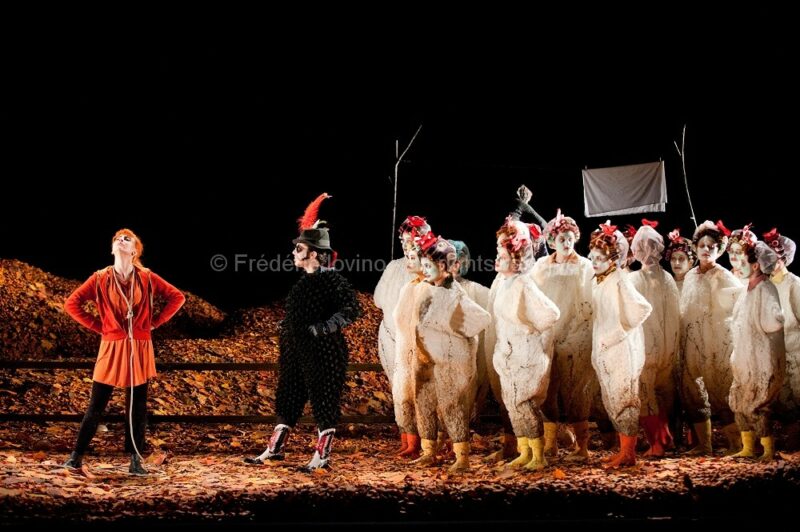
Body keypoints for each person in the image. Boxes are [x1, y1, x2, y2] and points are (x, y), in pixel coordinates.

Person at [244, 193, 361, 472]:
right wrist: (287, 326)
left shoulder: (332, 280)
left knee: (323, 398)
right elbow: (301, 312)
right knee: (288, 394)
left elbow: (351, 309)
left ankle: (322, 456)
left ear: (314, 253)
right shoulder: (302, 284)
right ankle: (275, 448)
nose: (294, 253)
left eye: (299, 249)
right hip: (295, 349)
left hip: (323, 351)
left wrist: (324, 328)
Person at [63, 228, 185, 475]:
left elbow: (177, 297)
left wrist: (154, 323)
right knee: (97, 403)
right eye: (117, 239)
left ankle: (135, 461)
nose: (121, 240)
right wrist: (100, 327)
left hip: (139, 345)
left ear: (135, 251)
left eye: (127, 239)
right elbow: (71, 303)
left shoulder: (147, 277)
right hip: (111, 345)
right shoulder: (99, 278)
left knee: (137, 405)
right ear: (112, 249)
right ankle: (75, 457)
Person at [411, 235, 491, 472]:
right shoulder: (428, 290)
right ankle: (429, 451)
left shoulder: (456, 294)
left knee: (451, 405)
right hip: (426, 359)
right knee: (424, 402)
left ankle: (462, 457)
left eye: (429, 266)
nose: (425, 270)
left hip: (449, 360)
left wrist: (451, 327)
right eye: (424, 265)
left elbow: (481, 319)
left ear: (443, 266)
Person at [490, 218, 560, 470]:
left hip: (525, 354)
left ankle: (538, 456)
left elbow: (550, 314)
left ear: (516, 258)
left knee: (525, 404)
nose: (497, 258)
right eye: (497, 252)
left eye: (502, 254)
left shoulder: (523, 283)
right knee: (513, 403)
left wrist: (529, 329)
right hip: (509, 354)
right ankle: (525, 451)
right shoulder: (504, 283)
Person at [532, 209, 595, 461]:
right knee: (547, 390)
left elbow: (589, 302)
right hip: (548, 337)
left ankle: (582, 447)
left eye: (570, 238)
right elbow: (534, 297)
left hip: (575, 336)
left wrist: (580, 331)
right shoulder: (541, 267)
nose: (566, 243)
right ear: (552, 241)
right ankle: (550, 444)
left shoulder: (584, 266)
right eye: (561, 239)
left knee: (577, 392)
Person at [588, 222, 652, 468]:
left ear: (613, 259)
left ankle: (628, 453)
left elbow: (641, 309)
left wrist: (617, 333)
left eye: (599, 258)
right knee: (612, 397)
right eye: (592, 257)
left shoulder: (619, 280)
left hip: (621, 350)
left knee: (624, 397)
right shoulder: (601, 280)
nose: (594, 262)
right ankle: (622, 449)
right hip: (607, 349)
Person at [679, 220, 743, 455]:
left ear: (719, 250)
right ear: (695, 248)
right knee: (692, 391)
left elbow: (738, 306)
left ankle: (736, 443)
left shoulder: (723, 276)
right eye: (702, 246)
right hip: (692, 341)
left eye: (711, 246)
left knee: (720, 391)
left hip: (717, 342)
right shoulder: (690, 276)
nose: (706, 250)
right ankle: (704, 444)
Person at [374, 215, 430, 455]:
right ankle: (407, 438)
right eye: (404, 241)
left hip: (418, 339)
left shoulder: (429, 267)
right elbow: (378, 299)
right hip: (391, 337)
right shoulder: (394, 267)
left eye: (412, 241)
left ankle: (427, 441)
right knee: (399, 390)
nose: (407, 246)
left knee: (422, 390)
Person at [728, 239, 785, 461]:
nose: (737, 265)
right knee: (740, 400)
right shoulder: (747, 290)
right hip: (745, 356)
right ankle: (748, 447)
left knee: (759, 402)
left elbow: (774, 321)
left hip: (762, 357)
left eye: (743, 262)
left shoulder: (765, 289)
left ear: (755, 265)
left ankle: (768, 449)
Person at [630, 220, 680, 457]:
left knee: (644, 394)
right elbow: (674, 316)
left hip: (645, 347)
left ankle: (657, 443)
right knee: (659, 392)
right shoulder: (667, 278)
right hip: (666, 347)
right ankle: (665, 437)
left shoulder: (635, 280)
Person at [665, 228, 696, 295]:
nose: (676, 263)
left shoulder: (696, 285)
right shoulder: (665, 285)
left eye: (681, 259)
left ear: (690, 263)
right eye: (673, 258)